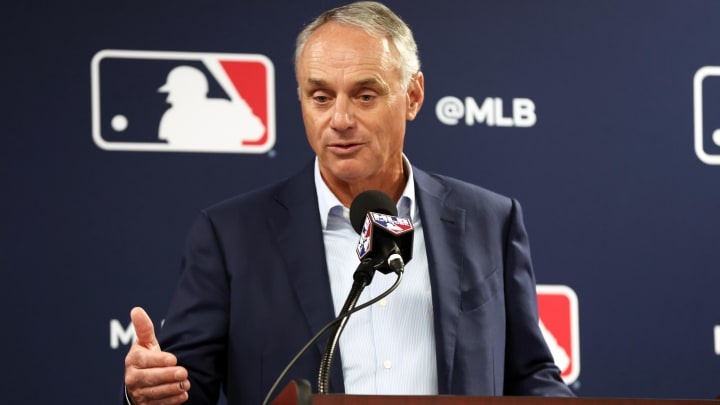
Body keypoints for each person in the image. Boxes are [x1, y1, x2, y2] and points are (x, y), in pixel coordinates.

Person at [123, 2, 575, 404]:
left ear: (413, 96)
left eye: (365, 95)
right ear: (301, 99)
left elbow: (529, 374)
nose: (339, 120)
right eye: (321, 97)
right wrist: (151, 393)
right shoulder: (230, 236)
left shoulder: (489, 221)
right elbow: (185, 387)